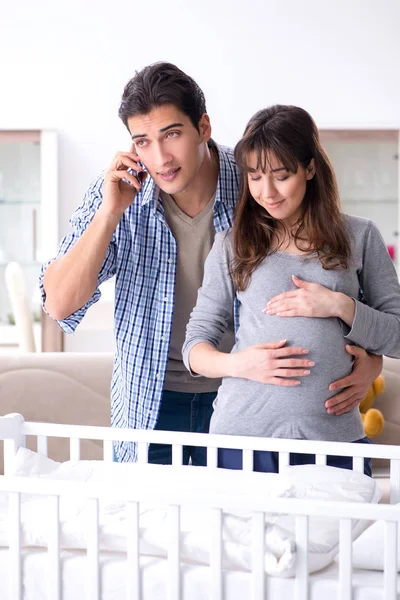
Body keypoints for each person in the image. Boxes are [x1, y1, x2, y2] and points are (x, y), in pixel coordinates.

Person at [39, 64, 382, 464]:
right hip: (152, 402)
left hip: (251, 401)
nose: (161, 158)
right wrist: (109, 213)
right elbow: (59, 304)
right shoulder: (118, 192)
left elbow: (333, 276)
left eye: (172, 134)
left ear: (203, 126)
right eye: (143, 142)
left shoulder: (257, 179)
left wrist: (371, 361)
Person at [182, 104, 400, 476]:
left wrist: (340, 305)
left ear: (310, 168)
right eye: (254, 177)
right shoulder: (231, 245)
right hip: (244, 439)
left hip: (335, 441)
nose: (266, 192)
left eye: (281, 176)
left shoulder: (360, 236)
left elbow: (396, 336)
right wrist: (240, 364)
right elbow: (195, 347)